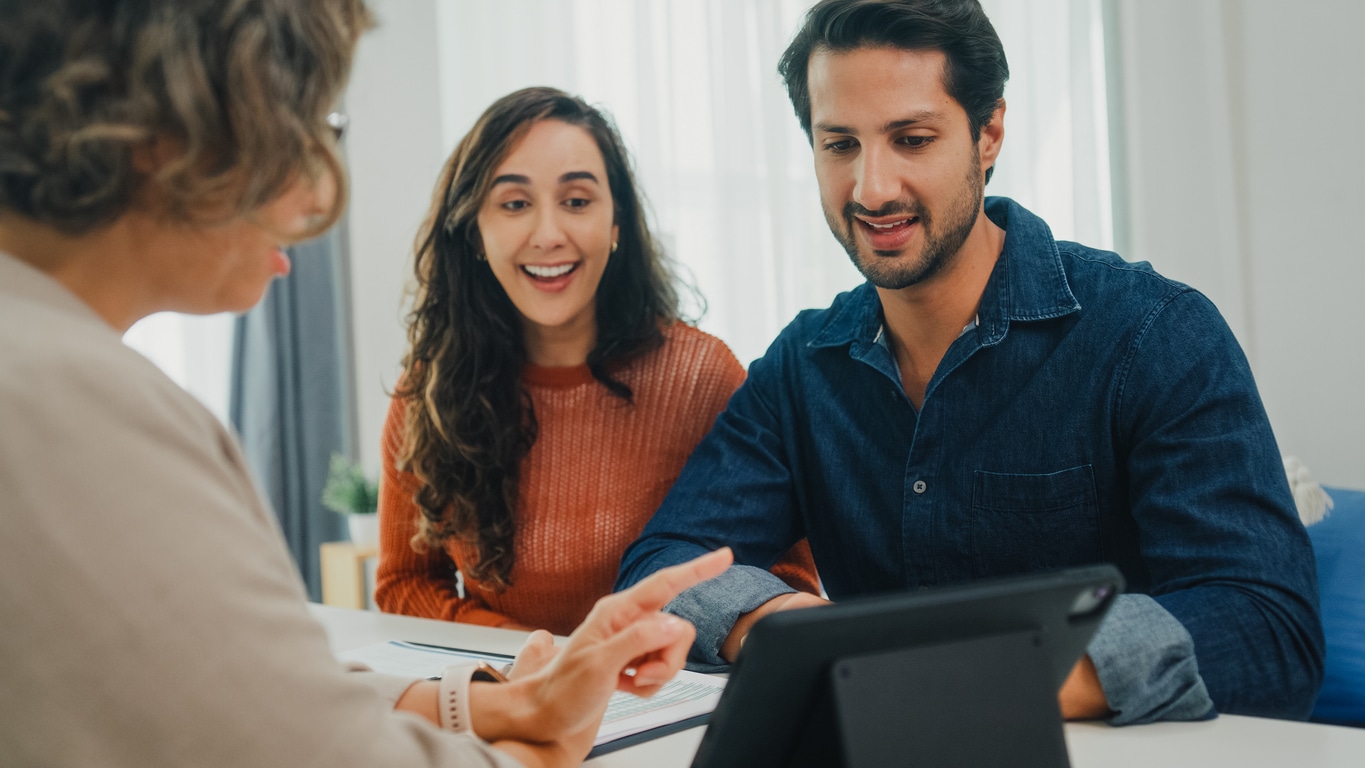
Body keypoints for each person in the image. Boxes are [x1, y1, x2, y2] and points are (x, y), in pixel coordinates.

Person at [0, 2, 733, 767]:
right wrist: (538, 744)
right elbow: (297, 723)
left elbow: (271, 692)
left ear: (619, 223)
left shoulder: (56, 375)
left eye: (577, 199)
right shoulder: (79, 409)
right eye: (303, 123)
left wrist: (496, 702)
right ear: (166, 134)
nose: (322, 192)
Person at [617, 0, 1323, 725]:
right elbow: (666, 564)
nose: (871, 188)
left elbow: (1268, 630)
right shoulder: (802, 366)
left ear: (988, 134)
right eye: (839, 145)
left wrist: (977, 686)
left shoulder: (1153, 333)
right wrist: (796, 634)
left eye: (911, 139)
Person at [373, 87, 819, 636]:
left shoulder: (703, 376)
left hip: (674, 699)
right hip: (516, 696)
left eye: (577, 201)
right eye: (514, 204)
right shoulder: (429, 394)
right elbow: (406, 584)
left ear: (616, 226)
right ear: (475, 232)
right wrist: (538, 657)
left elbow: (788, 575)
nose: (548, 234)